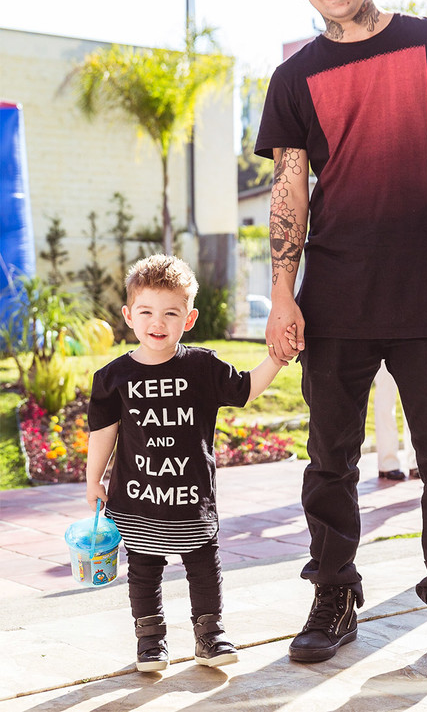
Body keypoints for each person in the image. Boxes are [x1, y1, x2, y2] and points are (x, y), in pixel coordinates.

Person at [255, 0, 427, 674]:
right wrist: (283, 294)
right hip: (334, 298)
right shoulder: (295, 78)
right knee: (329, 461)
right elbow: (288, 191)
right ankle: (333, 592)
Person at [85, 255, 286, 672]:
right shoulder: (112, 377)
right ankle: (150, 642)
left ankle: (210, 635)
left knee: (204, 568)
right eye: (146, 311)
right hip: (137, 500)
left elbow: (246, 388)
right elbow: (103, 433)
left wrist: (278, 359)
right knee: (143, 572)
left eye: (170, 313)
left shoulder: (202, 367)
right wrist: (93, 481)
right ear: (128, 315)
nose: (157, 322)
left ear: (188, 318)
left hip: (192, 499)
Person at [373, 362, 417, 481]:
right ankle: (387, 463)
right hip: (379, 347)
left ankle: (415, 460)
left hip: (410, 347)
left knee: (414, 398)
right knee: (385, 401)